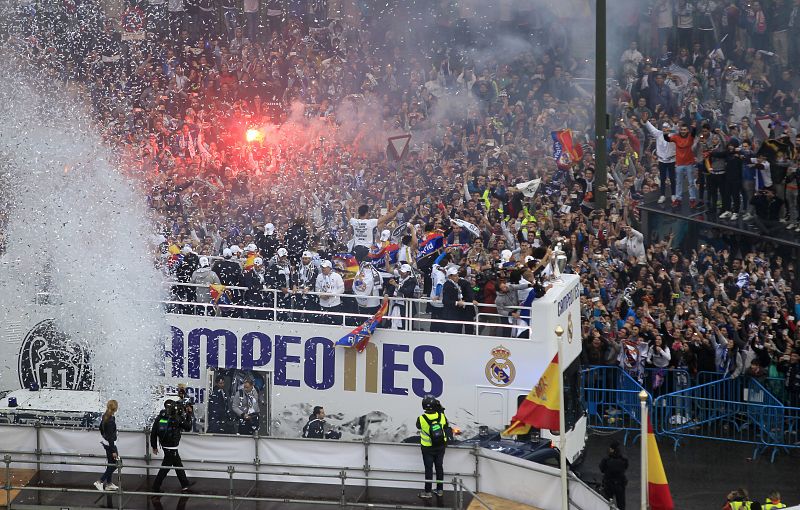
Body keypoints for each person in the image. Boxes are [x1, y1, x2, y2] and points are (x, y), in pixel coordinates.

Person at [150, 400, 193, 494]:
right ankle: (156, 487)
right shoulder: (177, 418)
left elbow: (153, 432)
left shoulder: (160, 416)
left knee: (178, 464)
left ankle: (185, 484)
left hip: (165, 445)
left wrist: (154, 446)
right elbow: (188, 427)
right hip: (172, 447)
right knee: (165, 468)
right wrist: (189, 414)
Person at [416, 394, 450, 499]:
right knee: (439, 468)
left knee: (429, 469)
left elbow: (418, 426)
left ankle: (428, 492)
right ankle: (439, 490)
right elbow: (446, 425)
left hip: (427, 448)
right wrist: (441, 410)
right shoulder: (441, 417)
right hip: (440, 446)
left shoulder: (421, 419)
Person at [94, 399, 119, 492]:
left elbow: (100, 428)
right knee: (117, 464)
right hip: (110, 445)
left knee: (110, 463)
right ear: (116, 408)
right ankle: (100, 481)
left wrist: (104, 438)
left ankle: (108, 483)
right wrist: (113, 451)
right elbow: (111, 437)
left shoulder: (105, 416)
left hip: (106, 443)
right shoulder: (111, 420)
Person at [599, 441, 628, 510]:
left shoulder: (606, 460)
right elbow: (625, 467)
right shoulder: (624, 459)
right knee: (621, 504)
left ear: (612, 449)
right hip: (620, 484)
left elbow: (602, 469)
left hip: (608, 484)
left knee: (606, 502)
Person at [315, 260, 345, 325]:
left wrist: (332, 294)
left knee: (338, 323)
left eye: (325, 267)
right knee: (323, 324)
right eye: (322, 267)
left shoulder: (337, 276)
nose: (323, 268)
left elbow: (342, 289)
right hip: (323, 304)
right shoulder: (319, 276)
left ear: (329, 268)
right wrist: (321, 295)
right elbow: (317, 288)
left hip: (335, 304)